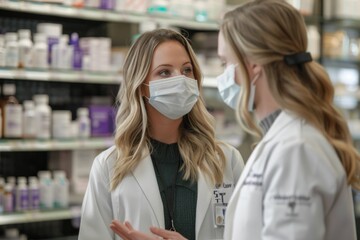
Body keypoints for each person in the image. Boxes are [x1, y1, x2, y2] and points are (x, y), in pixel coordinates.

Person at [78, 28, 244, 240]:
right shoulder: (108, 167)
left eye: (187, 70)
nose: (181, 80)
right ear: (141, 87)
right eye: (165, 72)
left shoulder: (226, 160)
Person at [219, 0, 360, 239]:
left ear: (253, 66)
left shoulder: (296, 148)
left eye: (226, 63)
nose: (223, 75)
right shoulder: (287, 139)